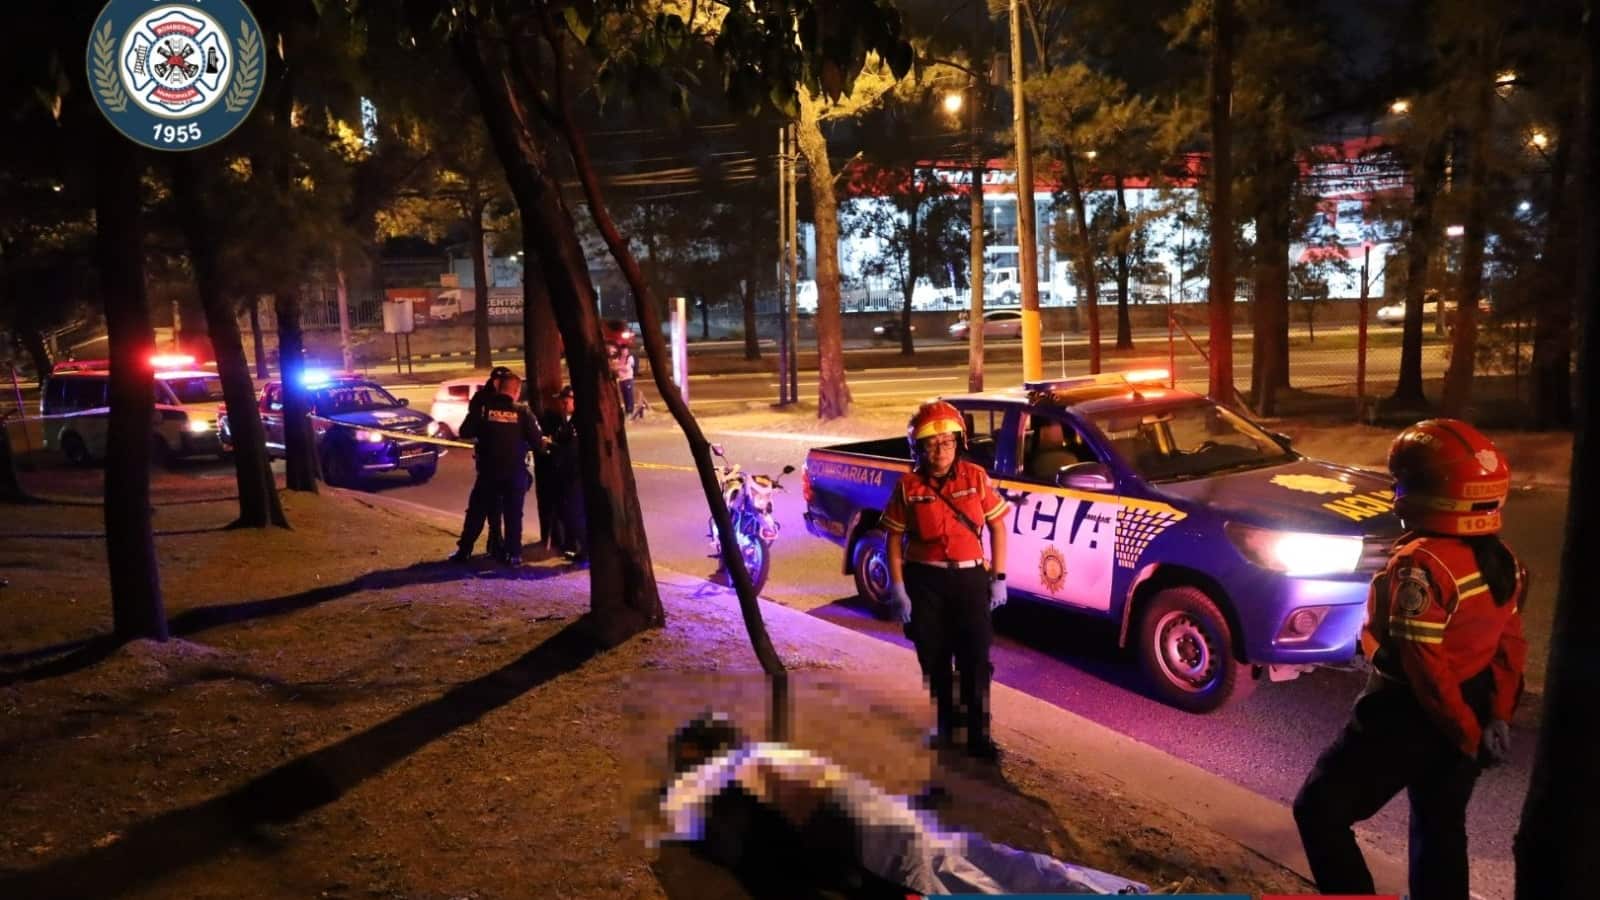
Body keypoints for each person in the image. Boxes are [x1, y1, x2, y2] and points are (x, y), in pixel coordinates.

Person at [1293, 418, 1528, 900]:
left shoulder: (1422, 565)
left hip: (1408, 717)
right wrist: (1495, 718)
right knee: (1440, 826)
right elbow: (1511, 645)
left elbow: (1423, 664)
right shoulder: (1501, 559)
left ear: (1422, 491)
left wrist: (1462, 733)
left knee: (1319, 811)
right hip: (1475, 704)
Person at [657, 713, 1149, 897]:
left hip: (884, 842)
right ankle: (1119, 892)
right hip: (892, 820)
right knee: (1001, 862)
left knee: (978, 883)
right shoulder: (776, 760)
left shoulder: (738, 783)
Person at [880, 400, 1010, 761]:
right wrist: (899, 588)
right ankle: (947, 725)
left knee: (976, 660)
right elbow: (893, 539)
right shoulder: (908, 486)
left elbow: (998, 526)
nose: (940, 450)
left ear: (959, 442)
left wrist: (998, 577)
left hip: (970, 580)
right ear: (919, 448)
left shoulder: (975, 478)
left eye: (948, 442)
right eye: (932, 444)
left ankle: (979, 736)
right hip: (925, 584)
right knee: (934, 658)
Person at [456, 370, 542, 566]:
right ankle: (514, 555)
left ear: (498, 388)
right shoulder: (522, 412)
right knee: (514, 514)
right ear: (516, 391)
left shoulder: (484, 409)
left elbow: (465, 431)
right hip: (514, 472)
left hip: (488, 472)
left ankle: (464, 550)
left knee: (476, 512)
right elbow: (537, 442)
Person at [448, 367, 512, 563]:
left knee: (492, 507)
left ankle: (494, 544)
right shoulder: (483, 402)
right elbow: (467, 429)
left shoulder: (511, 405)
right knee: (480, 508)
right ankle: (469, 547)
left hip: (496, 465)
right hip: (490, 464)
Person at [539, 384, 586, 563]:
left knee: (576, 513)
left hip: (576, 475)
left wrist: (550, 445)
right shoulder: (570, 421)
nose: (563, 405)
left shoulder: (577, 423)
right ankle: (577, 547)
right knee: (571, 513)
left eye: (565, 401)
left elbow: (570, 450)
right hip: (570, 475)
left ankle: (584, 551)